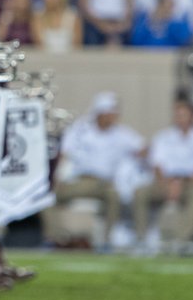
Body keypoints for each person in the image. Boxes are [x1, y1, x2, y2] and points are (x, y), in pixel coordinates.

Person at [44, 91, 144, 247]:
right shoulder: (80, 130)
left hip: (103, 184)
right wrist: (57, 178)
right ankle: (56, 238)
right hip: (78, 181)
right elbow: (64, 154)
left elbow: (142, 149)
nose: (114, 116)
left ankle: (106, 241)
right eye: (110, 113)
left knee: (114, 194)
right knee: (45, 197)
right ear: (101, 113)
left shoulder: (121, 134)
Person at [132, 95, 193, 246]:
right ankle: (141, 239)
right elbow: (157, 165)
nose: (180, 119)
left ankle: (182, 240)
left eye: (184, 115)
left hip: (190, 182)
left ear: (192, 116)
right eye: (178, 115)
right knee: (140, 193)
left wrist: (182, 183)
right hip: (165, 182)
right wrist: (167, 183)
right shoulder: (164, 137)